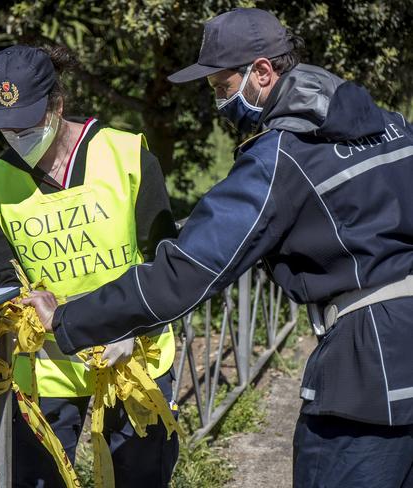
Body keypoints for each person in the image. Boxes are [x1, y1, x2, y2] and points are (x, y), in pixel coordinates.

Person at [23, 8, 413, 488]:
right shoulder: (392, 127)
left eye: (222, 88)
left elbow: (186, 271)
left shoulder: (279, 159)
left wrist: (67, 318)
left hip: (366, 379)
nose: (219, 103)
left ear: (262, 72)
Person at [0, 45, 179, 487]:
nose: (15, 134)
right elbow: (4, 276)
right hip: (48, 368)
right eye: (4, 126)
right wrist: (23, 304)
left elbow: (167, 262)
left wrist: (135, 327)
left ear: (57, 106)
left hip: (134, 356)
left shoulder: (126, 155)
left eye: (25, 123)